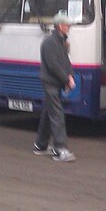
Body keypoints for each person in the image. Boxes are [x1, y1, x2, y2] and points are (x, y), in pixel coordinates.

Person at [33, 12, 76, 162]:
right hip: (50, 82)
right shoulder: (50, 42)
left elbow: (65, 61)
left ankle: (41, 145)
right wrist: (67, 79)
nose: (69, 27)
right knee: (57, 115)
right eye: (67, 25)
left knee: (49, 112)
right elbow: (53, 65)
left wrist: (70, 76)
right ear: (60, 26)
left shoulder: (61, 41)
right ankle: (60, 148)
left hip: (55, 82)